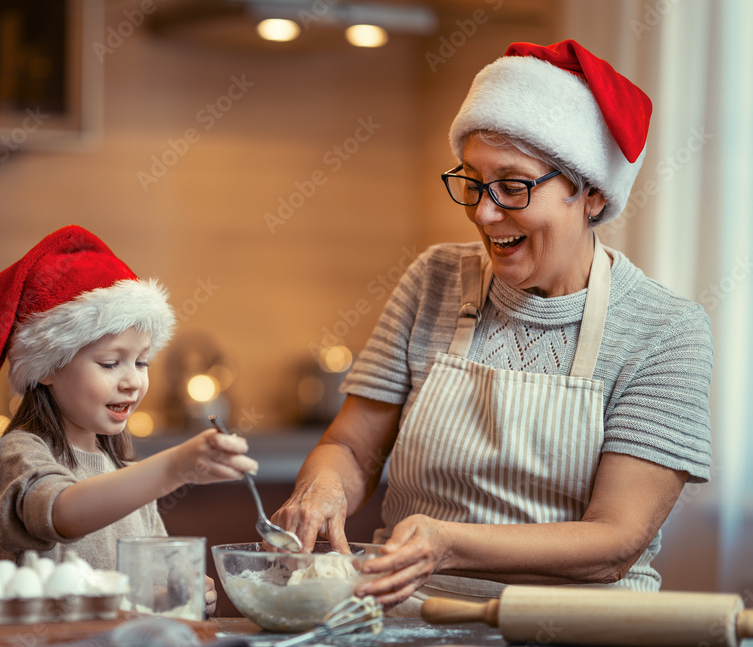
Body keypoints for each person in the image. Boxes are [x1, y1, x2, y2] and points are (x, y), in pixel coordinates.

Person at [271, 40, 713, 613]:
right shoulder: (434, 279)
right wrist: (323, 489)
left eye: (513, 185)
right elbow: (352, 449)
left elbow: (614, 541)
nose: (483, 212)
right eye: (473, 181)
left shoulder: (665, 331)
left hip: (575, 626)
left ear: (593, 195)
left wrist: (447, 543)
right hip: (408, 615)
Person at [0, 225, 258, 616]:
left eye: (141, 362)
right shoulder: (21, 453)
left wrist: (176, 590)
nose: (133, 381)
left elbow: (145, 587)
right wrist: (175, 466)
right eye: (109, 363)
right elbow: (62, 515)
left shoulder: (122, 467)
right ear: (48, 367)